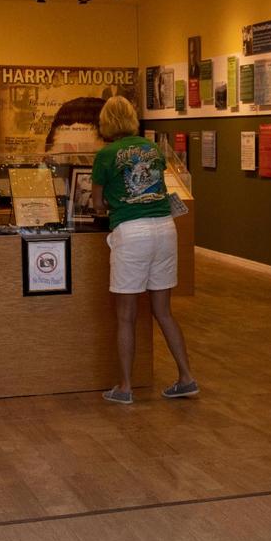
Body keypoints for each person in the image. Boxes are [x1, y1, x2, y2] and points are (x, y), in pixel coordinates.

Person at [91, 95, 198, 403]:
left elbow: (98, 203)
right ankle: (186, 377)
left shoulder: (106, 154)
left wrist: (114, 202)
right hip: (165, 228)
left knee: (126, 314)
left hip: (132, 232)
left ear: (106, 122)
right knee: (163, 311)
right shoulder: (151, 148)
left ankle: (124, 387)